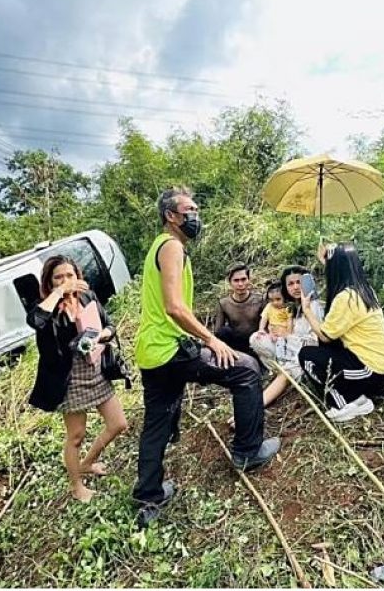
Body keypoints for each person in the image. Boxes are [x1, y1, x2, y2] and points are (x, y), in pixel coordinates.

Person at [132, 186, 280, 528]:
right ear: (172, 216)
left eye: (197, 209)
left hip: (152, 352)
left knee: (156, 422)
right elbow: (175, 307)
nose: (196, 216)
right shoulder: (171, 246)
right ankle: (247, 451)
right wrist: (213, 341)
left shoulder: (161, 245)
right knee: (246, 369)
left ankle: (149, 495)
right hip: (171, 349)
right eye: (190, 210)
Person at [27, 255, 129, 503]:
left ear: (78, 276)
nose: (66, 281)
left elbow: (109, 326)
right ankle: (76, 485)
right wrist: (60, 292)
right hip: (67, 378)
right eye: (58, 278)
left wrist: (101, 336)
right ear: (49, 283)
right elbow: (35, 321)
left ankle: (87, 462)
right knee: (76, 435)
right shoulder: (47, 307)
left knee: (118, 424)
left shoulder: (87, 297)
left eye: (70, 275)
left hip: (95, 369)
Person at [298, 242, 384, 422]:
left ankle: (347, 401)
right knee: (328, 347)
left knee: (307, 355)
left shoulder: (346, 298)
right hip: (383, 365)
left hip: (371, 371)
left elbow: (325, 336)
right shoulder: (364, 290)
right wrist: (326, 261)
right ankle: (358, 393)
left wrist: (306, 310)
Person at [249, 265, 325, 411]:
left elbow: (317, 341)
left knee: (289, 370)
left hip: (305, 355)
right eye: (290, 284)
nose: (295, 287)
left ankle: (256, 407)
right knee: (256, 338)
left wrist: (288, 337)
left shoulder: (313, 305)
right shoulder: (292, 307)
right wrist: (274, 334)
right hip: (288, 350)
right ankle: (279, 372)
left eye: (299, 282)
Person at [213, 263, 265, 356]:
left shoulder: (260, 300)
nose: (240, 284)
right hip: (235, 345)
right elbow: (218, 332)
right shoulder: (224, 303)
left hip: (257, 343)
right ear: (230, 282)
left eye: (243, 279)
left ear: (249, 280)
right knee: (224, 331)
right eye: (236, 280)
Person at [257, 281, 293, 359]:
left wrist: (288, 334)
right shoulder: (269, 306)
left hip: (283, 332)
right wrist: (261, 329)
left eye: (278, 299)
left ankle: (282, 359)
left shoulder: (287, 308)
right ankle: (273, 359)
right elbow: (264, 318)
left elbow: (290, 321)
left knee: (282, 345)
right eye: (271, 300)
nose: (275, 302)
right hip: (272, 332)